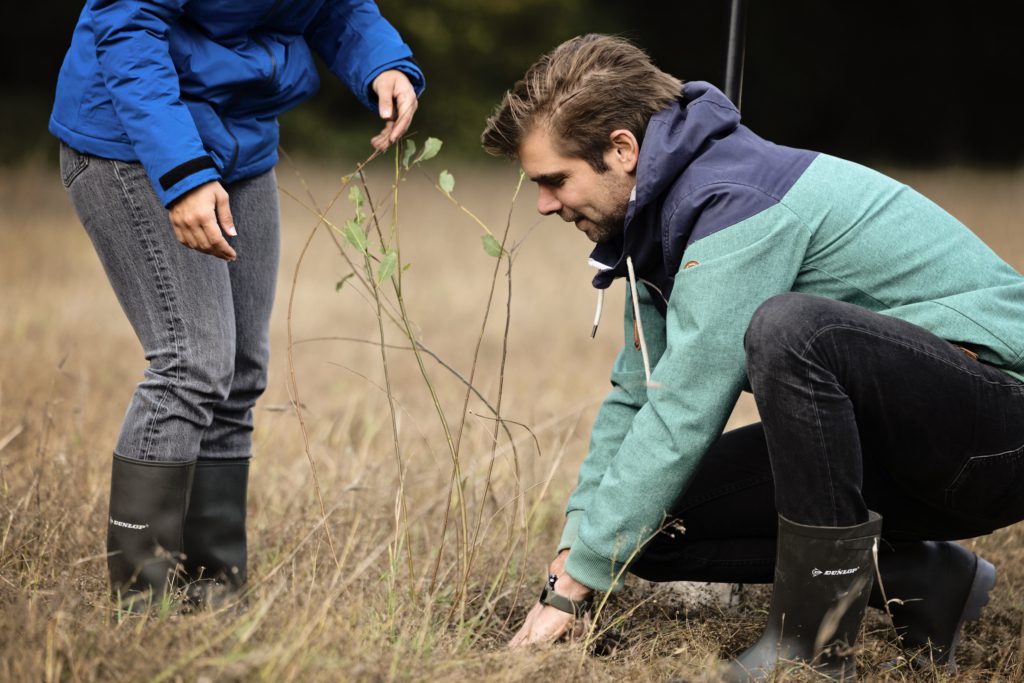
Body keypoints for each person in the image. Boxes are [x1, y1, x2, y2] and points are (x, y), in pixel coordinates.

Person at [481, 34, 1024, 679]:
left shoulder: (738, 207)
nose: (544, 203)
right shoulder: (656, 230)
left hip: (996, 429)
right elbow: (638, 396)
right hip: (905, 443)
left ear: (622, 150)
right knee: (650, 526)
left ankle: (814, 645)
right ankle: (922, 577)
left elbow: (685, 406)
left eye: (554, 180)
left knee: (792, 329)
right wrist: (582, 550)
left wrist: (575, 584)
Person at [51, 0, 424, 611]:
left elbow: (338, 7)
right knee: (191, 362)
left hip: (238, 140)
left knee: (239, 371)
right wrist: (183, 171)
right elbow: (127, 27)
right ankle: (145, 604)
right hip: (134, 139)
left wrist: (382, 63)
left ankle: (214, 591)